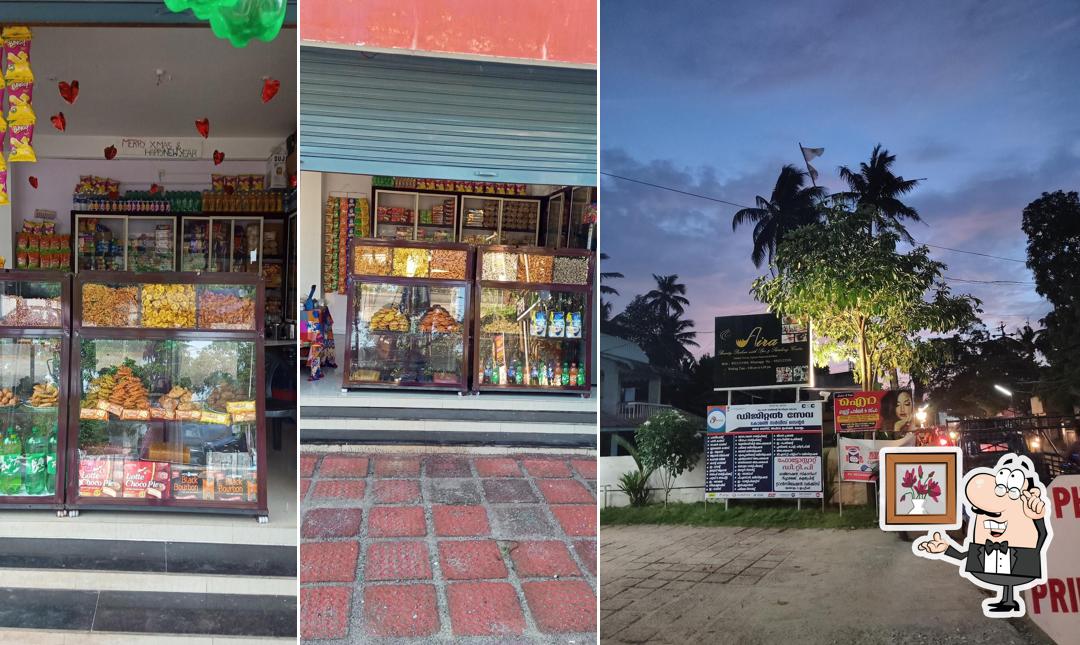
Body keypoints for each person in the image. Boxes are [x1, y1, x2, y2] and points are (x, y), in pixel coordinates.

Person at [915, 454, 1051, 617]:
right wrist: (946, 549)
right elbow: (968, 556)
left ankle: (1008, 600)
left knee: (1010, 576)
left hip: (1020, 559)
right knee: (1004, 576)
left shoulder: (1025, 527)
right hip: (1000, 558)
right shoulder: (986, 542)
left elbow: (1042, 535)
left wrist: (1038, 522)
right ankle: (1007, 600)